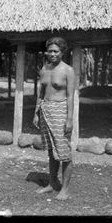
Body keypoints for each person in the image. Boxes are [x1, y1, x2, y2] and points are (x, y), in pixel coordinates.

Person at [33, 37, 75, 200]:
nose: (52, 54)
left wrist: (69, 119)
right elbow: (41, 93)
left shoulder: (68, 70)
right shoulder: (44, 69)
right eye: (50, 51)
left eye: (56, 51)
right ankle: (52, 183)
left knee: (64, 152)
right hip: (45, 110)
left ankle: (65, 189)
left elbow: (71, 96)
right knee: (51, 151)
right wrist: (36, 112)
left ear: (62, 52)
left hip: (61, 111)